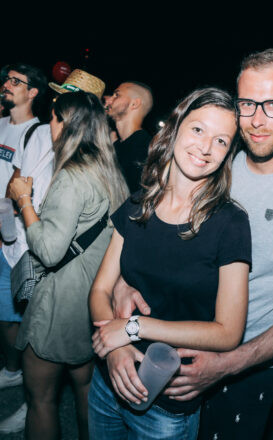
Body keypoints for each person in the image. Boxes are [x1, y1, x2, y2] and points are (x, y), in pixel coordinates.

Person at [112, 48, 273, 439]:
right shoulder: (215, 160)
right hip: (169, 341)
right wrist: (125, 279)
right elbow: (158, 232)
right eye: (247, 103)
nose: (256, 119)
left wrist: (228, 364)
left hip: (248, 367)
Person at [88, 87, 251, 440]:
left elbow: (228, 332)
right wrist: (117, 348)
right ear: (175, 128)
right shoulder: (139, 203)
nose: (206, 148)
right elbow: (100, 289)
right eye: (198, 130)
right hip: (107, 381)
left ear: (228, 153)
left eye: (221, 141)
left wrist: (134, 328)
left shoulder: (230, 223)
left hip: (167, 402)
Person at [8, 91, 128, 440]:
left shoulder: (73, 175)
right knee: (86, 389)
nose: (50, 124)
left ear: (66, 125)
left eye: (54, 118)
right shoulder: (110, 171)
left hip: (60, 302)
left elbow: (48, 250)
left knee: (40, 399)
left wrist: (24, 200)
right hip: (94, 301)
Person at [0, 63, 46, 429]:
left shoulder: (39, 133)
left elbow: (22, 190)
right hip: (4, 236)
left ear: (33, 92)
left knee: (26, 319)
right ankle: (13, 369)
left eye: (17, 81)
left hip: (18, 239)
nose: (7, 84)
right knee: (5, 314)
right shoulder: (2, 124)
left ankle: (34, 396)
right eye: (7, 78)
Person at [105, 81, 153, 193]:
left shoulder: (144, 151)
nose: (109, 99)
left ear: (134, 104)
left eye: (117, 95)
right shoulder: (117, 144)